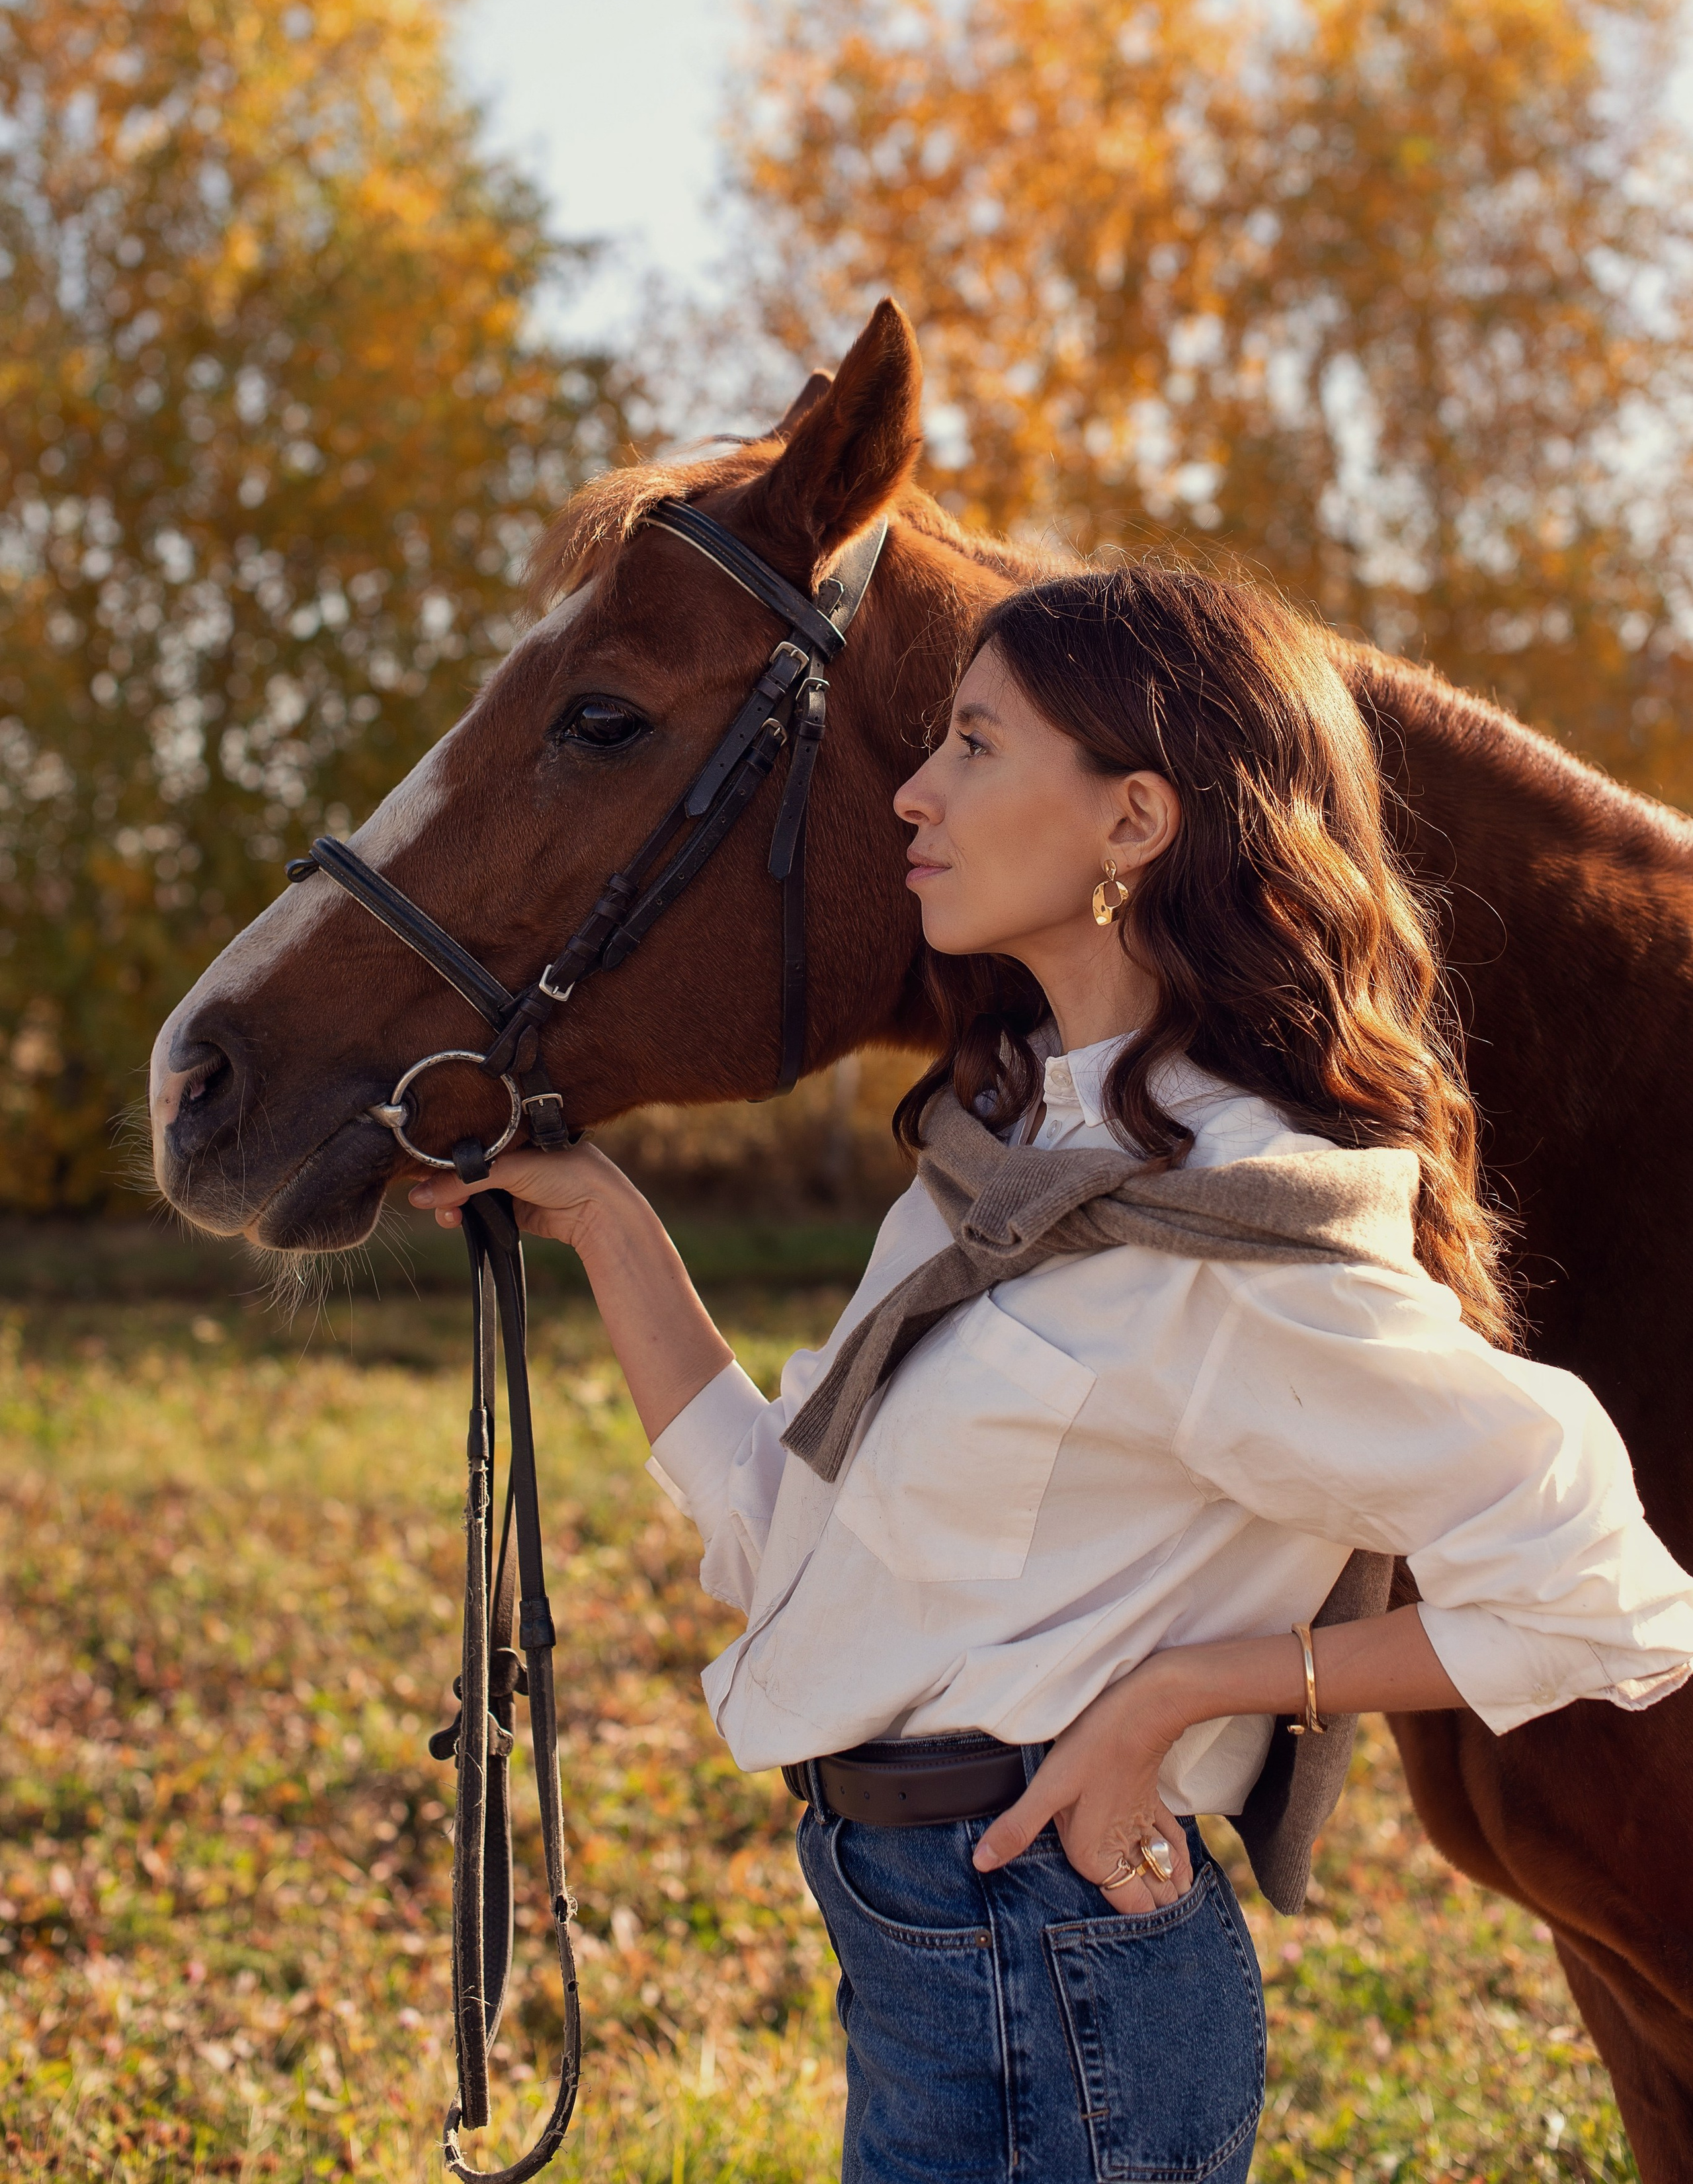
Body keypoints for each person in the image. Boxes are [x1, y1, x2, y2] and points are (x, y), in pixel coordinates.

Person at [409, 565, 1693, 2184]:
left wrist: (1188, 1691)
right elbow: (774, 1526)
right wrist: (599, 1217)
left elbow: (1602, 1596)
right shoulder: (1009, 1154)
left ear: (1131, 821)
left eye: (971, 746)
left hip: (1065, 1964)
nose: (911, 792)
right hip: (921, 1943)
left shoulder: (1242, 1223)